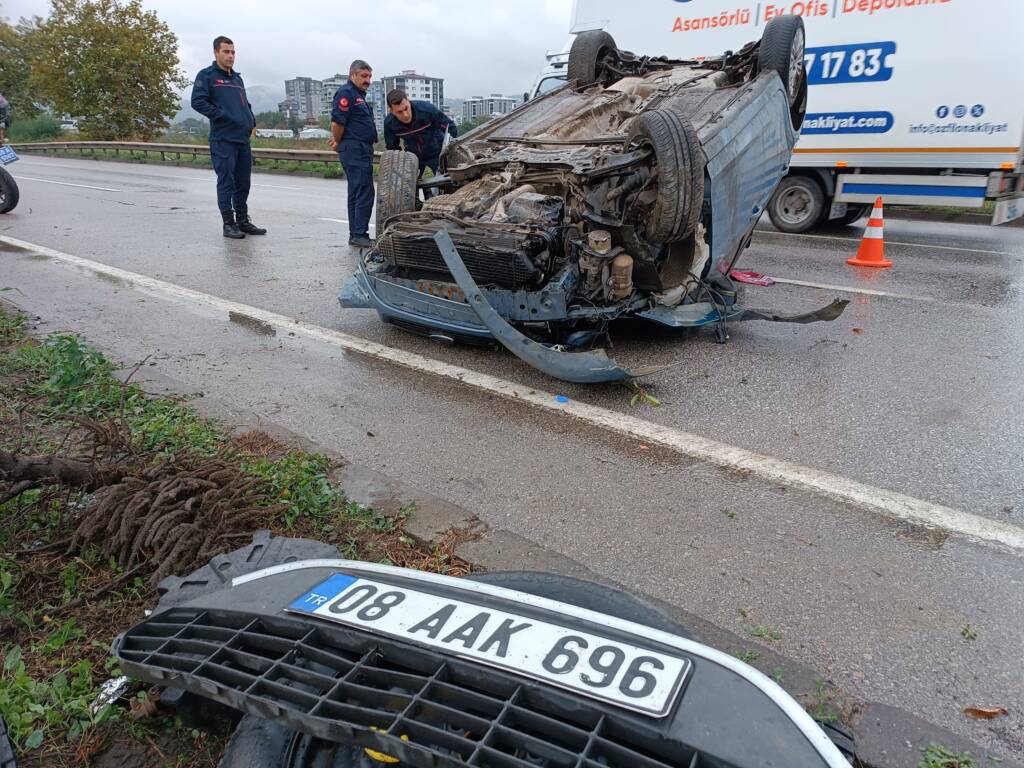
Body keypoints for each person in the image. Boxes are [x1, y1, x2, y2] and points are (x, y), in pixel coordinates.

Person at [190, 36, 266, 239]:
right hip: (223, 139)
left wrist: (251, 120)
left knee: (243, 182)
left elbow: (244, 103)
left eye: (233, 52)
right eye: (226, 52)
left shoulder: (237, 78)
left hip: (242, 139)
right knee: (226, 182)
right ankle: (228, 224)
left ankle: (243, 220)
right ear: (216, 53)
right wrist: (220, 114)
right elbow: (197, 102)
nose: (231, 56)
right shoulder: (207, 76)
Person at [329, 60, 377, 249]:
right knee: (364, 191)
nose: (368, 80)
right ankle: (359, 234)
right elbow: (337, 122)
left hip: (360, 148)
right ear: (353, 75)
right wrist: (339, 141)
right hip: (354, 149)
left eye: (370, 76)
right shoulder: (346, 93)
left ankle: (355, 234)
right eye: (364, 76)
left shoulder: (358, 95)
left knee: (356, 192)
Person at [383, 88, 458, 176]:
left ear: (409, 102)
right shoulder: (389, 124)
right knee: (406, 184)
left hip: (437, 153)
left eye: (406, 108)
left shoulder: (427, 110)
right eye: (399, 112)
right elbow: (393, 149)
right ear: (392, 111)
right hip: (412, 157)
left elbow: (451, 128)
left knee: (444, 182)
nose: (405, 115)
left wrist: (449, 153)